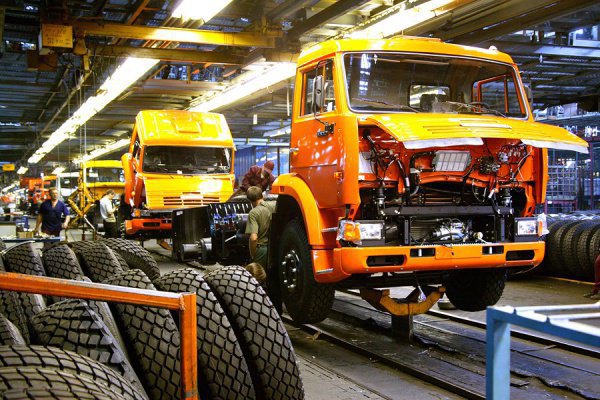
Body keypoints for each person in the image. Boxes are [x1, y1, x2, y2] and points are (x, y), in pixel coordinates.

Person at [245, 186, 276, 268]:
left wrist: (253, 254)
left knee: (258, 274)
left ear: (249, 200)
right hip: (276, 247)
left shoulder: (253, 213)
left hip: (262, 250)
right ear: (262, 196)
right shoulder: (275, 205)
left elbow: (254, 238)